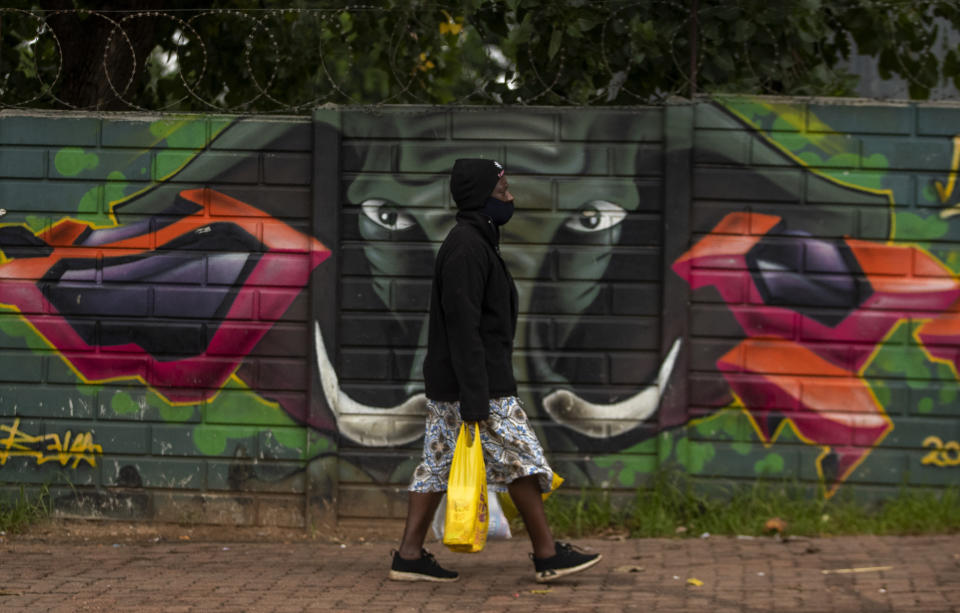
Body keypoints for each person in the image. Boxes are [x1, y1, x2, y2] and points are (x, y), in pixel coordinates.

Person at [389, 158, 602, 583]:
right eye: (503, 190)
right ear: (482, 197)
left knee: (439, 463)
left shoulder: (477, 242)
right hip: (477, 383)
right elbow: (462, 326)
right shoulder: (467, 247)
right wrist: (475, 396)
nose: (511, 197)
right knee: (522, 458)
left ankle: (409, 556)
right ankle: (546, 555)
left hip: (463, 381)